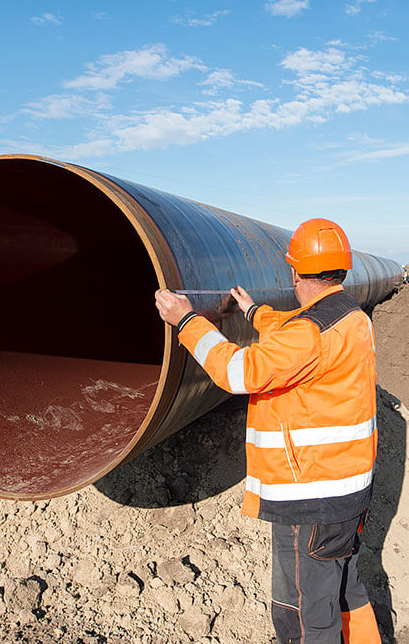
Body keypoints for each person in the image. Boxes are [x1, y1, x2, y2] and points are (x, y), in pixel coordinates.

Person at [155, 218, 381, 644]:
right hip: (348, 491)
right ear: (341, 271)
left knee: (306, 615)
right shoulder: (349, 317)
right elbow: (299, 336)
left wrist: (185, 321)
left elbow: (239, 372)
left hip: (311, 498)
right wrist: (255, 313)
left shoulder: (307, 334)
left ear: (295, 272)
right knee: (343, 590)